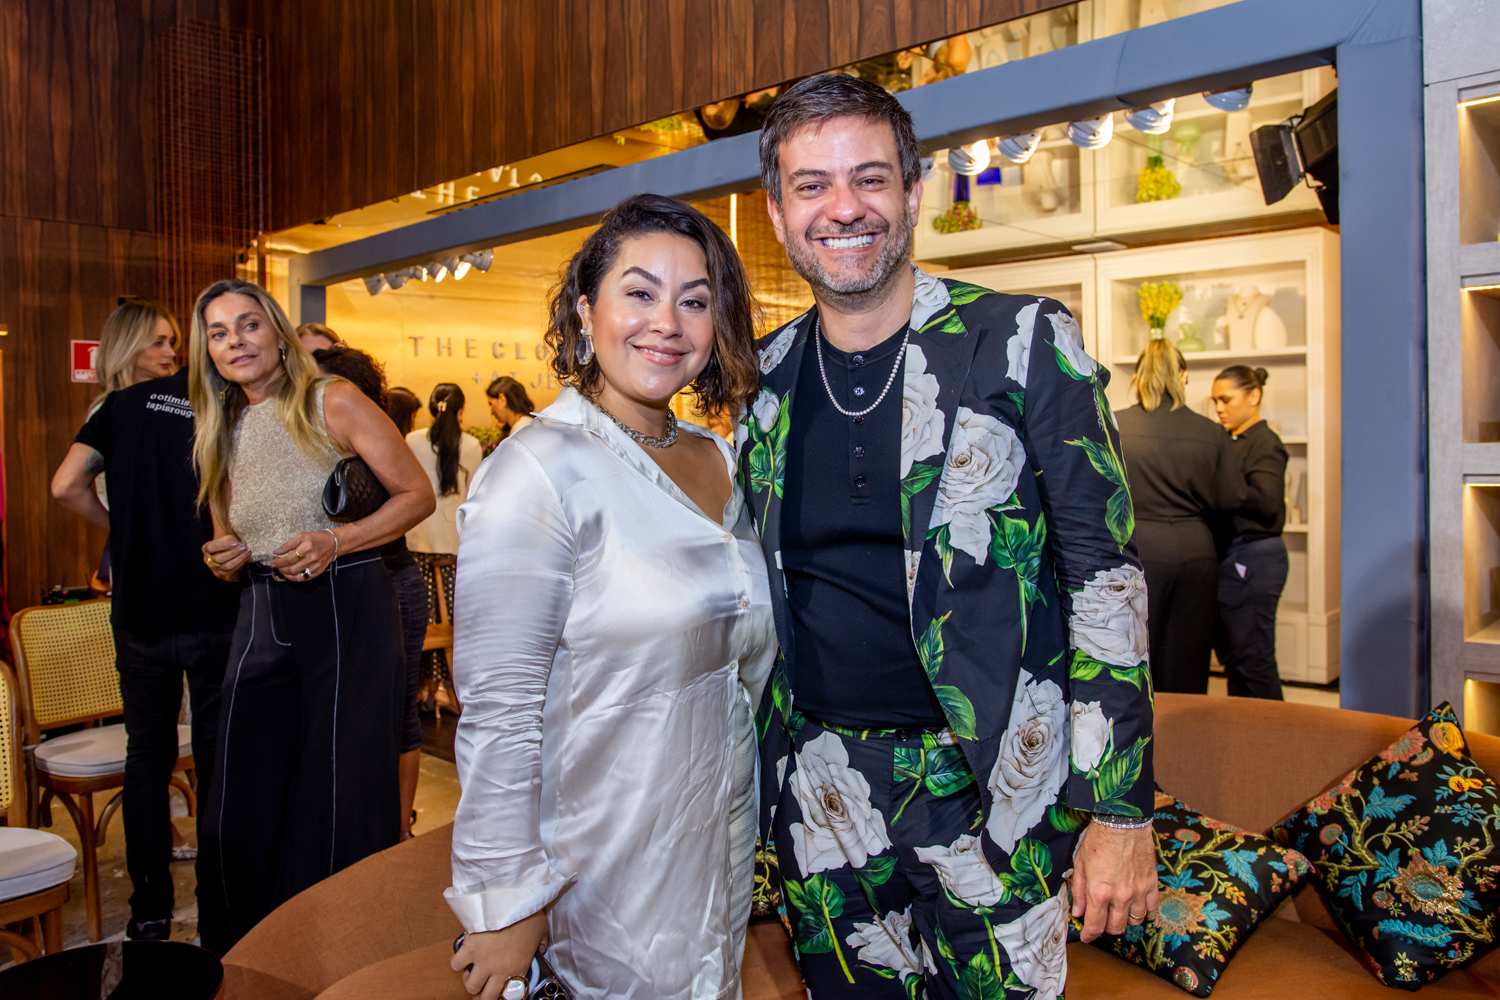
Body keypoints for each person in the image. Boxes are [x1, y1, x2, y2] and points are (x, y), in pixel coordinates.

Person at [745, 73, 1156, 1000]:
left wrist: (1121, 808)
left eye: (869, 178)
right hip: (823, 793)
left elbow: (1105, 578)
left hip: (997, 788)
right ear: (776, 212)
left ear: (913, 191)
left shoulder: (1024, 339)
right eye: (811, 185)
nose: (843, 208)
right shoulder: (761, 378)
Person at [446, 194, 772, 1000]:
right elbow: (499, 709)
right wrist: (507, 899)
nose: (667, 322)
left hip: (718, 837)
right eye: (639, 293)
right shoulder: (538, 471)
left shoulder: (719, 458)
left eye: (694, 301)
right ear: (585, 310)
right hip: (600, 861)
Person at [188, 280, 434, 953]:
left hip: (347, 607)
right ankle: (248, 959)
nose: (235, 342)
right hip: (261, 613)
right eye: (218, 333)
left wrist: (337, 540)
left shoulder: (333, 400)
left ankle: (336, 959)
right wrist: (222, 557)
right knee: (237, 807)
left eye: (248, 325)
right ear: (207, 352)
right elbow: (230, 539)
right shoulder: (219, 426)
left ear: (276, 332)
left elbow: (417, 496)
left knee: (335, 801)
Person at [50, 298, 239, 943]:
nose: (170, 350)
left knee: (147, 758)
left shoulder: (113, 411)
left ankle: (150, 912)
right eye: (159, 341)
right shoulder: (215, 402)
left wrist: (121, 528)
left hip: (139, 612)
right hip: (213, 603)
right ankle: (218, 912)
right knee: (215, 758)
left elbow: (65, 486)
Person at [313, 345, 430, 836]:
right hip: (353, 588)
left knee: (398, 713)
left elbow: (416, 500)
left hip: (392, 582)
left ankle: (398, 827)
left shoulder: (372, 440)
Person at [1116, 340, 1247, 695]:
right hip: (1196, 551)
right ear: (1182, 377)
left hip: (1137, 549)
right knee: (1189, 654)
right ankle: (1188, 723)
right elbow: (1231, 498)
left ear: (1138, 376)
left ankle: (1138, 724)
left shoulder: (1115, 425)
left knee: (1134, 651)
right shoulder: (1211, 432)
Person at [1210, 365, 1288, 700]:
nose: (1219, 408)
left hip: (1253, 558)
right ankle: (1245, 728)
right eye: (1215, 401)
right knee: (1238, 661)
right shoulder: (1234, 442)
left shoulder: (1264, 443)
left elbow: (1268, 503)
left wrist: (1223, 487)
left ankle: (1270, 729)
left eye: (1226, 400)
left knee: (1253, 661)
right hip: (1237, 557)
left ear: (1254, 396)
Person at [405, 384, 484, 712]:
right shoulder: (472, 445)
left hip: (415, 541)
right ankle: (451, 689)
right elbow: (476, 497)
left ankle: (423, 686)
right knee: (454, 621)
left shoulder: (412, 440)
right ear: (461, 410)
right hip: (454, 546)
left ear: (430, 408)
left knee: (421, 620)